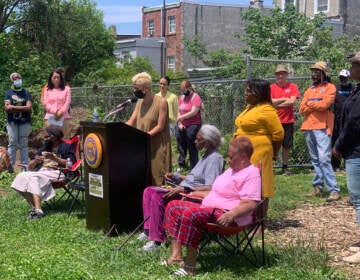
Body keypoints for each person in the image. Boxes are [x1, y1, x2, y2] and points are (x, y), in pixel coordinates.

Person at [163, 136, 261, 276]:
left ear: (244, 157)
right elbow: (215, 193)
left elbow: (251, 203)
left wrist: (232, 214)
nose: (228, 159)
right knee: (173, 206)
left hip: (229, 217)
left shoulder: (251, 174)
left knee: (191, 214)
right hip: (212, 209)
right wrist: (191, 192)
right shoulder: (231, 170)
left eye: (231, 157)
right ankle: (176, 257)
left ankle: (190, 268)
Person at [138, 124, 224, 251]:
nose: (195, 141)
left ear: (208, 142)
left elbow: (211, 187)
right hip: (185, 190)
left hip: (192, 196)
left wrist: (185, 189)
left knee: (157, 195)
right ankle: (148, 230)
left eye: (198, 139)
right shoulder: (205, 156)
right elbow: (194, 179)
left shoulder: (215, 159)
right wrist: (177, 177)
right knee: (148, 191)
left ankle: (157, 240)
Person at [11, 125, 76, 220]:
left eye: (49, 135)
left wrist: (55, 158)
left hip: (58, 172)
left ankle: (38, 211)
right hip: (42, 171)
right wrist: (36, 160)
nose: (47, 137)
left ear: (56, 136)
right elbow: (30, 165)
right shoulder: (46, 146)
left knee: (34, 178)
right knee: (20, 176)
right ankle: (33, 207)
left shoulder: (66, 146)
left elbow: (71, 163)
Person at [234, 79, 284, 199]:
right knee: (243, 182)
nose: (245, 93)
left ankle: (260, 213)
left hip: (258, 151)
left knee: (257, 183)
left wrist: (274, 153)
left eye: (249, 90)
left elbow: (279, 134)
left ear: (258, 93)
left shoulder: (266, 110)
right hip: (243, 152)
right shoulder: (250, 107)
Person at [300, 61, 341, 202]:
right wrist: (315, 104)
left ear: (324, 73)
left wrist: (310, 104)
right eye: (313, 71)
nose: (314, 74)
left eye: (317, 71)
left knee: (324, 159)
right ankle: (318, 187)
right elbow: (301, 109)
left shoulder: (330, 87)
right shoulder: (309, 89)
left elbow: (324, 105)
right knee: (316, 160)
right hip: (308, 127)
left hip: (322, 127)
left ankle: (334, 190)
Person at [333, 52, 360, 263]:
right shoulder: (357, 89)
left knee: (359, 200)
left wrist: (339, 146)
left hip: (356, 152)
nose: (350, 70)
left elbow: (353, 123)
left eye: (353, 66)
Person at [126, 72, 171, 186]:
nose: (134, 91)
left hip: (157, 146)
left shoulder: (161, 102)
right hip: (143, 146)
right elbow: (131, 121)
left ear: (145, 89)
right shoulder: (139, 103)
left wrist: (144, 137)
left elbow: (160, 126)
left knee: (157, 180)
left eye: (136, 88)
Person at [270, 64, 300, 175]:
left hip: (288, 121)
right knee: (271, 144)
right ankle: (270, 166)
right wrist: (283, 99)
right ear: (276, 75)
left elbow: (292, 101)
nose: (280, 76)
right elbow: (269, 102)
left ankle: (285, 166)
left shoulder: (293, 87)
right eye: (278, 74)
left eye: (282, 73)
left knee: (286, 145)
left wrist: (276, 104)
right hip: (274, 121)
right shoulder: (271, 88)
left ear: (286, 75)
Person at [4, 72, 33, 167]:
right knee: (12, 143)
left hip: (25, 122)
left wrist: (13, 107)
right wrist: (23, 108)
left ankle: (25, 166)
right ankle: (10, 167)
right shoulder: (9, 93)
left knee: (24, 144)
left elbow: (29, 107)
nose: (17, 79)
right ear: (12, 81)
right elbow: (7, 108)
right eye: (14, 78)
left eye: (18, 77)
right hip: (12, 122)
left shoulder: (26, 92)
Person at [176, 80, 203, 169]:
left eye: (185, 89)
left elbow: (194, 112)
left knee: (190, 139)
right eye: (182, 89)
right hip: (182, 123)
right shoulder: (181, 98)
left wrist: (181, 117)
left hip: (194, 123)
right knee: (180, 142)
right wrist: (180, 123)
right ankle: (182, 165)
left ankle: (194, 166)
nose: (183, 91)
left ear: (189, 88)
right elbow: (179, 111)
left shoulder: (196, 97)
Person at [331, 69, 353, 171]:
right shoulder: (335, 88)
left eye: (344, 78)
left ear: (348, 78)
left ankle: (346, 164)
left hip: (349, 120)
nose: (342, 79)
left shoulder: (352, 88)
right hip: (337, 120)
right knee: (336, 141)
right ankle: (335, 165)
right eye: (341, 77)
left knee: (348, 141)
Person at [43, 69, 72, 139]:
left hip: (64, 116)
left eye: (58, 77)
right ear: (51, 79)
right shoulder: (47, 90)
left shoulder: (67, 89)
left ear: (61, 78)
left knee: (65, 139)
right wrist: (55, 111)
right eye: (54, 77)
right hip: (50, 117)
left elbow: (67, 102)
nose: (56, 79)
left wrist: (61, 112)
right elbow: (46, 103)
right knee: (52, 139)